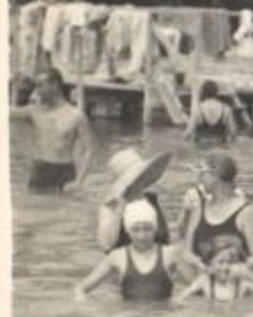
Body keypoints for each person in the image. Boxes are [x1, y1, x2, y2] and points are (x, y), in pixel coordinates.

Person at [75, 200, 203, 302]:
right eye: (136, 230)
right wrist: (84, 305)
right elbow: (81, 288)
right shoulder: (117, 256)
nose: (142, 236)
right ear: (128, 231)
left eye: (147, 229)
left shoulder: (169, 254)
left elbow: (200, 286)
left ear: (155, 229)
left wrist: (181, 298)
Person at [183, 153, 253, 269]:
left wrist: (227, 269)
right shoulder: (198, 209)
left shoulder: (246, 212)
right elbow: (186, 253)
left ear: (215, 175)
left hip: (232, 278)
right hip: (203, 277)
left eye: (202, 173)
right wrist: (196, 263)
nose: (199, 178)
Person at [25, 67, 93, 195]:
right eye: (36, 86)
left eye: (40, 86)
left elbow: (88, 150)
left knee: (63, 212)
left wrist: (79, 181)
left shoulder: (76, 115)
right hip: (40, 168)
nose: (37, 91)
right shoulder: (33, 111)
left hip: (65, 170)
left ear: (55, 85)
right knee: (34, 210)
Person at [94, 148, 174, 252]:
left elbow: (166, 240)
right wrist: (120, 210)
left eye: (141, 176)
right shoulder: (111, 207)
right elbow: (107, 245)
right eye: (136, 178)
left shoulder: (152, 200)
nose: (140, 181)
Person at [177, 236, 253, 302]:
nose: (225, 267)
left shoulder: (242, 284)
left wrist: (249, 275)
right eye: (220, 262)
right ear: (210, 265)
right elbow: (180, 298)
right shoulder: (205, 281)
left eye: (230, 262)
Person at [185, 81, 240, 145]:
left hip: (201, 147)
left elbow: (188, 134)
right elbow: (233, 134)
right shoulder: (226, 109)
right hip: (220, 146)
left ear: (203, 93)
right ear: (216, 93)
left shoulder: (198, 110)